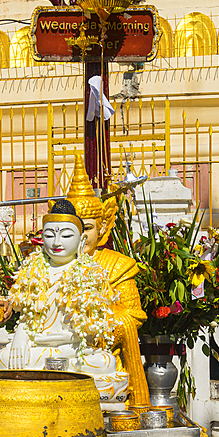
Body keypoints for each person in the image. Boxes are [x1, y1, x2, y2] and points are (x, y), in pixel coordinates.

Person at [0, 199, 129, 405]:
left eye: (66, 235)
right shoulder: (33, 270)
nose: (57, 243)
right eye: (49, 235)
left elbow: (91, 330)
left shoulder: (91, 273)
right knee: (3, 358)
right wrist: (21, 338)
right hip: (37, 348)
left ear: (81, 241)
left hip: (73, 348)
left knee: (105, 362)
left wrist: (64, 339)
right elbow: (26, 314)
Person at [66, 154, 150, 408]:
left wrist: (97, 326)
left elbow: (132, 317)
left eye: (88, 228)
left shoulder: (117, 266)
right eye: (74, 226)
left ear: (102, 228)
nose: (80, 235)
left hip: (102, 355)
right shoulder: (48, 266)